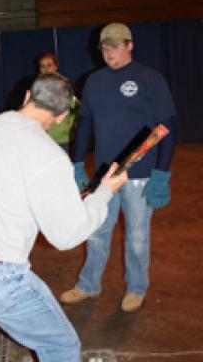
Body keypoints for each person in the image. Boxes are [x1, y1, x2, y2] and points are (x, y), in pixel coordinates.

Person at [0, 73, 127, 361]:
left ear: (27, 97)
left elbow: (0, 184)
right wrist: (104, 193)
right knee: (60, 347)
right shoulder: (48, 154)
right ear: (62, 117)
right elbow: (67, 235)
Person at [59, 22, 176, 312]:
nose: (109, 52)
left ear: (129, 45)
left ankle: (137, 287)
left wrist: (161, 173)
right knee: (97, 232)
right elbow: (84, 123)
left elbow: (167, 126)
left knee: (137, 237)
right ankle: (88, 285)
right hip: (105, 176)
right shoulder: (94, 81)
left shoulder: (150, 79)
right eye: (104, 47)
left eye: (115, 46)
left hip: (139, 174)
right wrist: (77, 163)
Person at [39, 53, 80, 154]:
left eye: (49, 65)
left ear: (55, 67)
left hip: (61, 139)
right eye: (42, 66)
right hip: (42, 137)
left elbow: (76, 107)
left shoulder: (65, 85)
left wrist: (68, 128)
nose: (46, 69)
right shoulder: (36, 87)